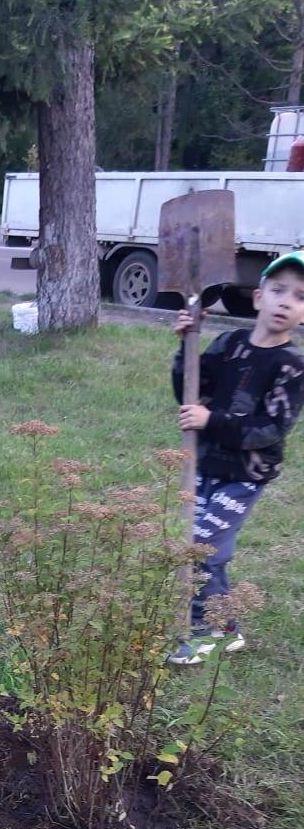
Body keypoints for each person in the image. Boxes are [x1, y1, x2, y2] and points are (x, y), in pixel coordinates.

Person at [168, 252, 304, 664]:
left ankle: (199, 633)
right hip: (205, 465)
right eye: (278, 291)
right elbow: (191, 392)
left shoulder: (292, 366)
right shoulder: (228, 344)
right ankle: (228, 630)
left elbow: (271, 428)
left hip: (245, 474)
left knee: (201, 547)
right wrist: (185, 346)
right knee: (209, 549)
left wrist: (213, 421)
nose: (285, 302)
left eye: (299, 296)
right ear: (258, 297)